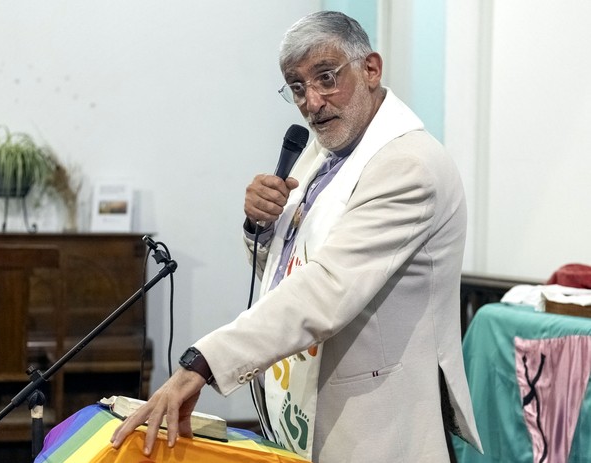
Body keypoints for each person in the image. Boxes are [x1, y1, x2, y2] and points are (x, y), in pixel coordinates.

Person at [111, 10, 482, 462]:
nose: (312, 102)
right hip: (307, 413)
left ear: (371, 68)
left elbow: (325, 288)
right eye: (298, 87)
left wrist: (203, 362)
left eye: (326, 77)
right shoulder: (320, 155)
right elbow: (288, 267)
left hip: (375, 428)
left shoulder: (407, 166)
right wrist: (261, 226)